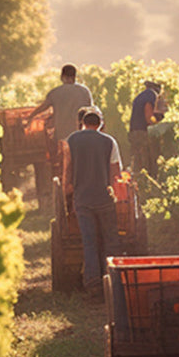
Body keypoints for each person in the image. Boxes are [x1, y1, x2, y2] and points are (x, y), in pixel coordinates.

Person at [63, 106, 123, 294]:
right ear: (101, 124)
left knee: (89, 242)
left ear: (82, 123)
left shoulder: (71, 140)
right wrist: (116, 192)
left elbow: (68, 169)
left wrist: (69, 192)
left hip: (83, 199)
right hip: (104, 198)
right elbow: (116, 172)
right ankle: (112, 281)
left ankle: (93, 284)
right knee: (111, 240)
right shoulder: (109, 142)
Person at [28, 64, 94, 142]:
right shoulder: (84, 91)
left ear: (62, 77)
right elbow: (91, 111)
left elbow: (42, 108)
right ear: (74, 77)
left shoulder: (55, 93)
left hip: (61, 136)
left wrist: (30, 117)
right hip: (81, 135)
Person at [128, 80, 166, 177]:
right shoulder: (151, 95)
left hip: (134, 132)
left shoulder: (140, 96)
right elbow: (148, 117)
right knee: (147, 163)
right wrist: (158, 121)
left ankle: (135, 185)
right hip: (142, 133)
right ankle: (145, 187)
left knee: (137, 160)